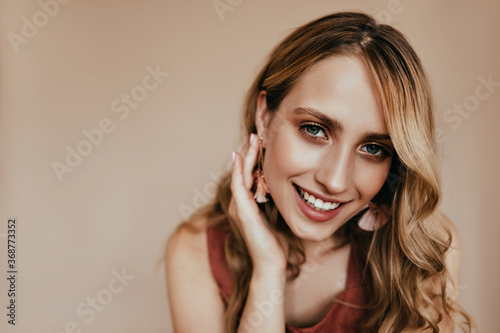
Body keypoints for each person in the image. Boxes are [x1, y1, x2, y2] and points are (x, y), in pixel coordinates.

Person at [164, 12, 475, 333]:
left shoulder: (426, 250)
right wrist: (268, 270)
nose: (335, 180)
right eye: (314, 129)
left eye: (373, 148)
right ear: (265, 117)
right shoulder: (196, 251)